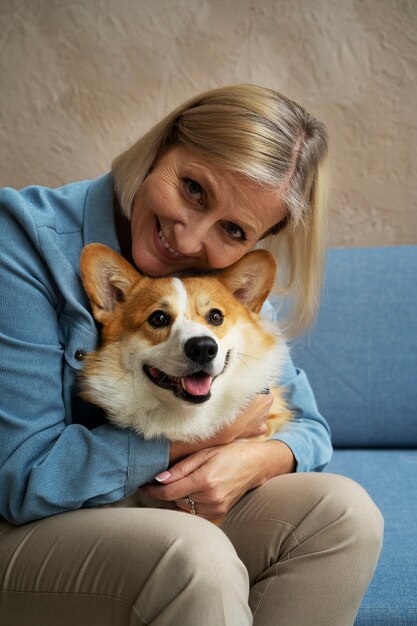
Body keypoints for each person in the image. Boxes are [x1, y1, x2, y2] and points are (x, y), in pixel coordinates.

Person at [0, 84, 383, 625]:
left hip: (149, 512)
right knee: (194, 555)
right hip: (24, 525)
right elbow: (19, 478)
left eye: (233, 229)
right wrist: (203, 437)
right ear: (162, 146)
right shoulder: (19, 240)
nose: (188, 239)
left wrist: (256, 459)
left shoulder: (224, 290)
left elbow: (310, 429)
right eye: (194, 189)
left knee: (343, 514)